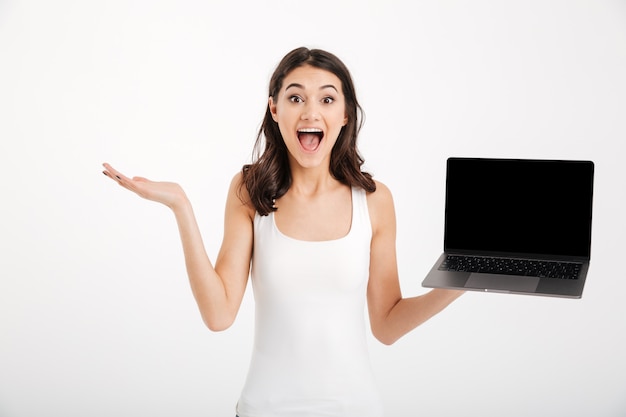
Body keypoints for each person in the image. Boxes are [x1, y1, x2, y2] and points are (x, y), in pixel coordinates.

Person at [102, 46, 464, 417]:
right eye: (295, 97)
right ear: (275, 109)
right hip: (264, 408)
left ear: (344, 115)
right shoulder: (249, 191)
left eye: (327, 98)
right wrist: (181, 205)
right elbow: (218, 314)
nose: (310, 111)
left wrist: (460, 280)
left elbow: (387, 324)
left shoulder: (374, 200)